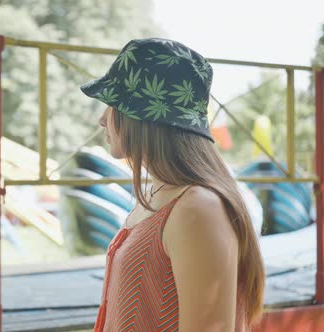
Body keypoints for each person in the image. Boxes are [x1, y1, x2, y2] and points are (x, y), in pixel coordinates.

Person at [80, 38, 264, 331]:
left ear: (145, 115)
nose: (103, 119)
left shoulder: (197, 209)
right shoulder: (161, 195)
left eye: (113, 104)